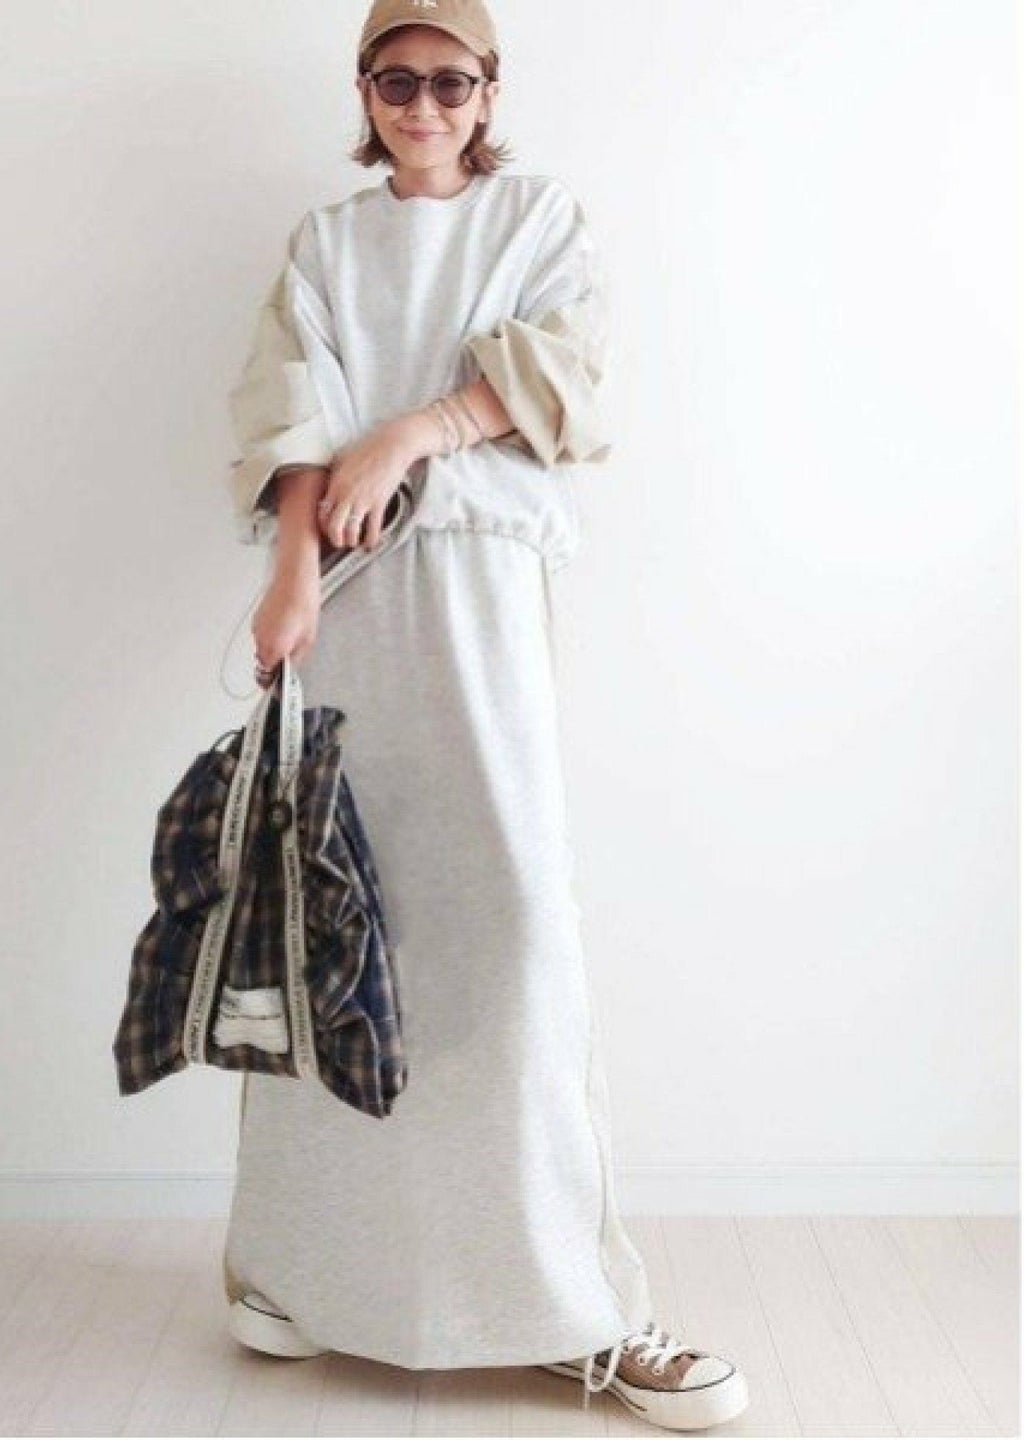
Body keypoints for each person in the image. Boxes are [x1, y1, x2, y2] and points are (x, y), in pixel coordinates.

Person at [220, 0, 749, 1428]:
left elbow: (567, 375)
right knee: (345, 929)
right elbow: (288, 419)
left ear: (490, 91)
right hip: (349, 606)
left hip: (484, 590)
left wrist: (414, 429)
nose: (423, 104)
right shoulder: (327, 242)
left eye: (450, 81)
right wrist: (289, 582)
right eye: (395, 79)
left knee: (512, 923)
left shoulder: (538, 217)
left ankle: (575, 1307)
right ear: (363, 90)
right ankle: (304, 1271)